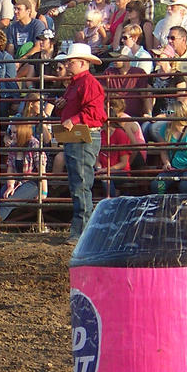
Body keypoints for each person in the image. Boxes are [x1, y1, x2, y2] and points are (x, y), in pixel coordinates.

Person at [54, 42, 105, 245]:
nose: (67, 64)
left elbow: (95, 113)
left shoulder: (86, 84)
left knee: (81, 183)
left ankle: (81, 232)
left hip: (83, 136)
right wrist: (63, 108)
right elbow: (91, 111)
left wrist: (72, 118)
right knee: (80, 183)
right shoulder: (79, 83)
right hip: (80, 136)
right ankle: (82, 231)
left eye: (71, 61)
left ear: (82, 63)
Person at [0, 118, 47, 228]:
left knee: (8, 202)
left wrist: (44, 192)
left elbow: (41, 171)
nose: (12, 135)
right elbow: (10, 168)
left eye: (15, 133)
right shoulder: (13, 146)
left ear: (23, 133)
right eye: (12, 132)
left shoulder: (34, 145)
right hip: (16, 181)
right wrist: (10, 185)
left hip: (32, 183)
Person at [150, 101, 187, 194]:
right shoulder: (164, 129)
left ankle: (186, 206)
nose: (167, 115)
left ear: (178, 113)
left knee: (185, 187)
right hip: (173, 167)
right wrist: (167, 163)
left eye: (169, 113)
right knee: (157, 185)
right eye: (166, 113)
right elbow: (163, 151)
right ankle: (161, 203)